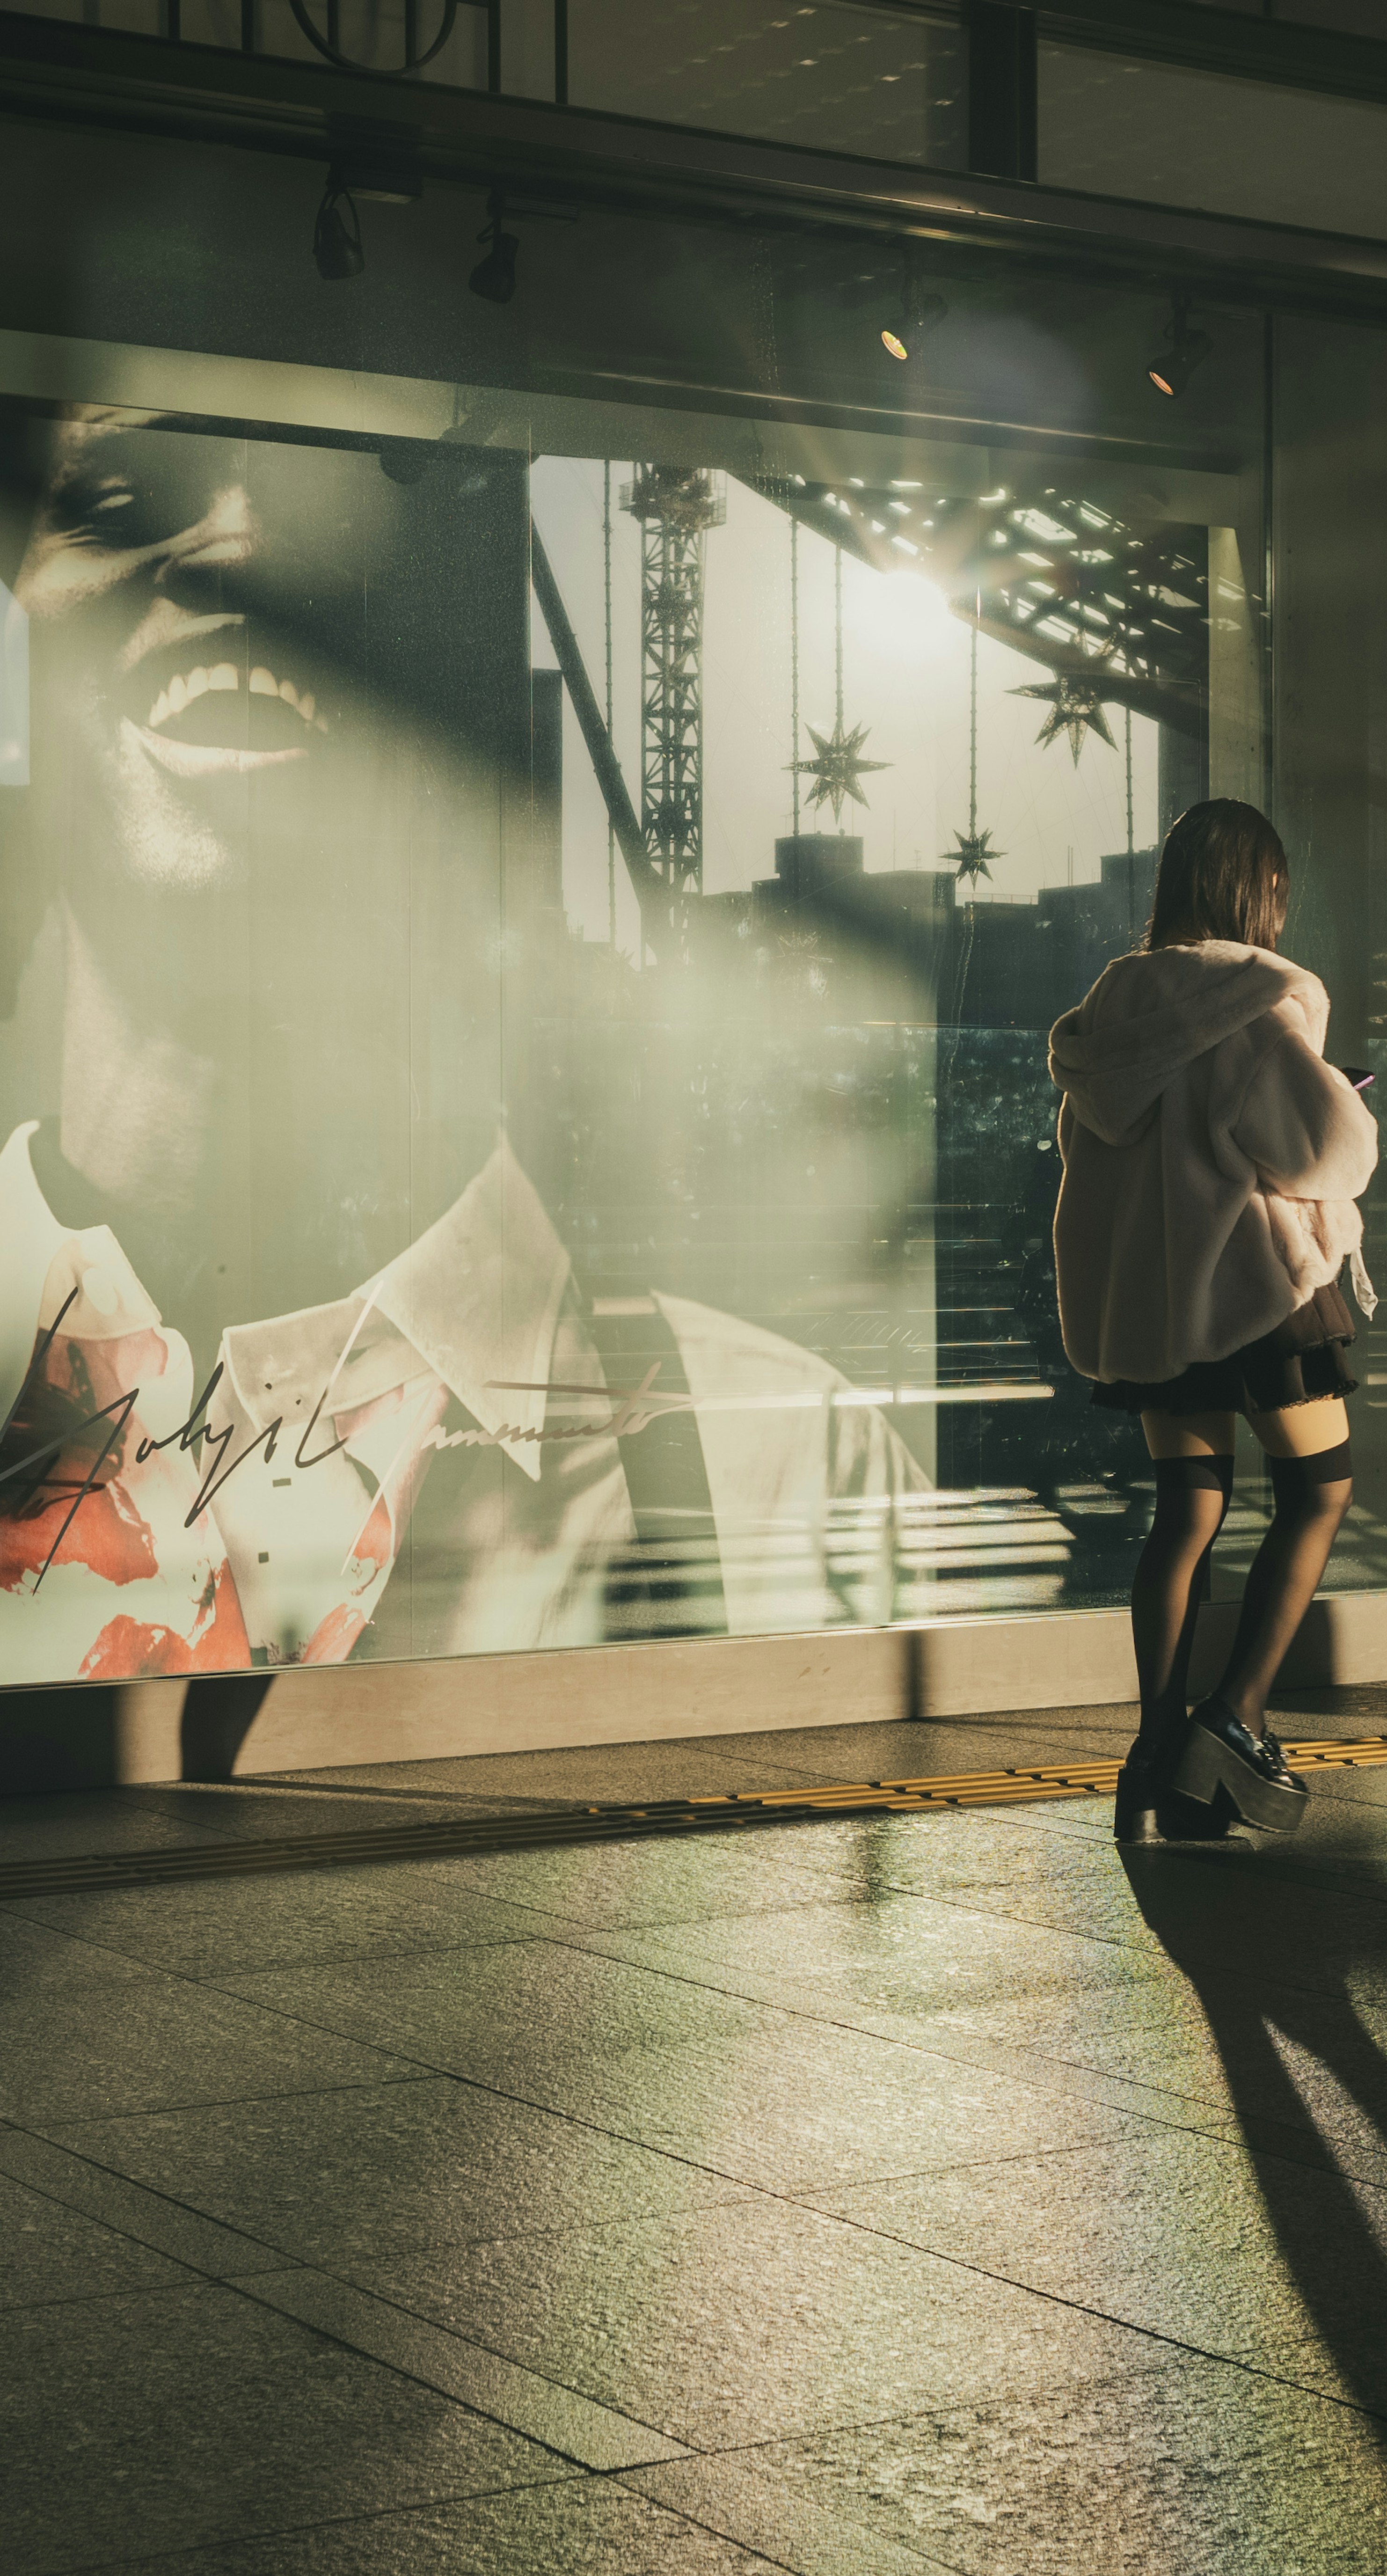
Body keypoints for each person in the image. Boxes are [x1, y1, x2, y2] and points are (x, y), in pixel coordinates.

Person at [0, 403, 923, 1685]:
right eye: (118, 497)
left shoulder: (788, 1468)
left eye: (355, 537)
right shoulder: (767, 1461)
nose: (239, 549)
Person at [1048, 797, 1378, 1843]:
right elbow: (1324, 1149)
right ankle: (1234, 1720)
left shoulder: (1111, 1020)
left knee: (1188, 1509)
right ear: (1255, 891)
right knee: (1320, 1491)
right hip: (1259, 1296)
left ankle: (1156, 1750)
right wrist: (1343, 1093)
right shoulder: (1252, 1008)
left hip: (1156, 1305)